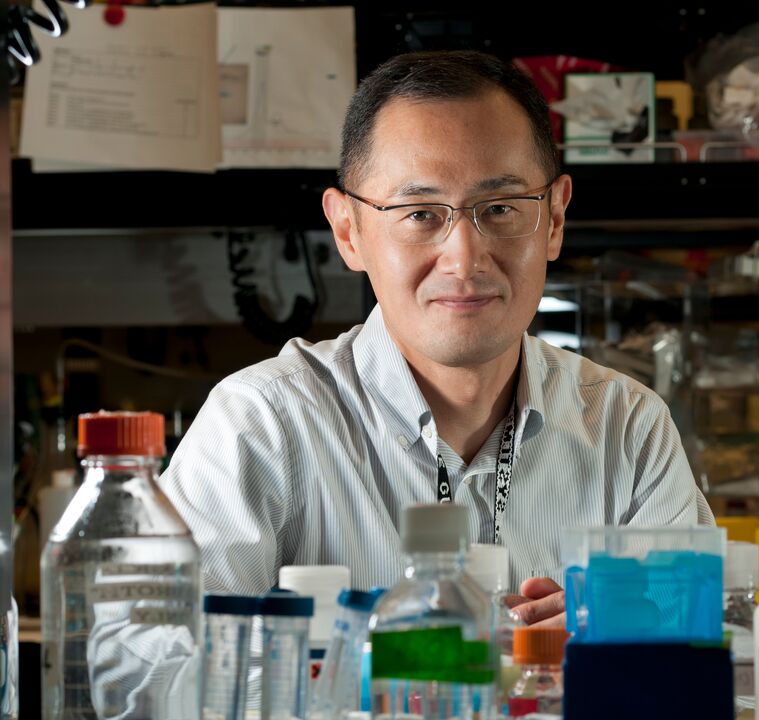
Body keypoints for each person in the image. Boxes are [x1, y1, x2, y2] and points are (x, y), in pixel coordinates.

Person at [161, 50, 711, 629]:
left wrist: (615, 645)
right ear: (348, 230)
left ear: (554, 218)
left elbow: (706, 643)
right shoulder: (261, 425)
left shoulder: (628, 429)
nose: (465, 258)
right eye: (420, 213)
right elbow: (151, 668)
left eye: (500, 208)